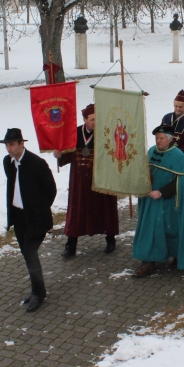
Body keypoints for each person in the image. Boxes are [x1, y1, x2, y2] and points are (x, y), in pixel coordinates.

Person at [132, 124, 184, 278]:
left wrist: (162, 192)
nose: (158, 141)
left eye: (162, 138)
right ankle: (148, 261)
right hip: (150, 200)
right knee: (150, 230)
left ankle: (177, 255)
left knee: (171, 230)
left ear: (170, 139)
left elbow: (181, 182)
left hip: (170, 202)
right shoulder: (151, 151)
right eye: (157, 138)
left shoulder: (178, 156)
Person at [1, 128, 57, 313]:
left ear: (21, 143)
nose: (9, 149)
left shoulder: (36, 163)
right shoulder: (7, 162)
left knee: (30, 253)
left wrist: (39, 209)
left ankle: (38, 293)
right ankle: (38, 290)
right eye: (7, 145)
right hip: (19, 217)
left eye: (12, 144)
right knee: (27, 254)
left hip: (36, 218)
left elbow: (51, 190)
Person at [54, 104, 119, 258]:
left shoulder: (105, 133)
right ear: (84, 119)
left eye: (97, 119)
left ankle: (110, 239)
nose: (95, 122)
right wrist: (60, 155)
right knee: (77, 211)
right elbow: (67, 155)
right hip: (79, 180)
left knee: (105, 207)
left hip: (100, 178)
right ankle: (71, 245)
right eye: (92, 119)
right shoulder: (74, 133)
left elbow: (114, 153)